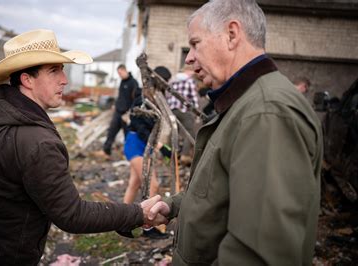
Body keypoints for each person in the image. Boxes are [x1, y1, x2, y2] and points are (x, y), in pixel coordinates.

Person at [0, 29, 166, 265]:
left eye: (62, 69)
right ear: (27, 79)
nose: (64, 79)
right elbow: (72, 214)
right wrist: (137, 214)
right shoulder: (37, 142)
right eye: (54, 70)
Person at [148, 1, 323, 265]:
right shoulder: (243, 104)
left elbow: (257, 255)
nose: (189, 57)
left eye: (195, 43)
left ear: (232, 34)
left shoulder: (267, 113)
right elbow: (221, 191)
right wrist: (173, 205)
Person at [122, 66, 172, 239]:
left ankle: (121, 223)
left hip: (145, 145)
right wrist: (159, 146)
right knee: (153, 185)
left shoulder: (158, 99)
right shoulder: (141, 97)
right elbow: (137, 124)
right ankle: (148, 228)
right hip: (136, 143)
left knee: (134, 184)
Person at [102, 64, 139, 157]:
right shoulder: (122, 82)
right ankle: (106, 151)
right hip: (118, 112)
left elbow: (136, 99)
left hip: (126, 114)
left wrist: (130, 112)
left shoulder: (133, 82)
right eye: (118, 73)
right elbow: (120, 96)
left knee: (127, 135)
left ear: (124, 70)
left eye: (120, 73)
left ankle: (129, 154)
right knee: (111, 131)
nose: (119, 75)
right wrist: (115, 104)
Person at [167, 64, 199, 162]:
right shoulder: (189, 81)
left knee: (173, 132)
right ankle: (185, 155)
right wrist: (197, 112)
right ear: (188, 71)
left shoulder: (173, 81)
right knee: (190, 132)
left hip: (172, 110)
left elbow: (168, 95)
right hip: (184, 110)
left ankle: (170, 155)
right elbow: (194, 97)